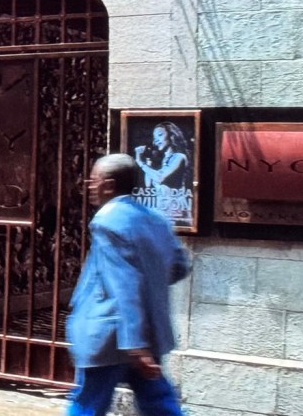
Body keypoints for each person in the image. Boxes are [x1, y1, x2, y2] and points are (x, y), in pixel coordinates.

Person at [66, 154, 190, 416]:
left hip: (110, 335)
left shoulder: (107, 221)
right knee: (159, 404)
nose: (89, 185)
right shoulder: (156, 219)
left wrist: (135, 344)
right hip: (147, 333)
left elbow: (124, 282)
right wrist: (151, 284)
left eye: (94, 180)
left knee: (88, 404)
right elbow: (180, 266)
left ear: (109, 185)